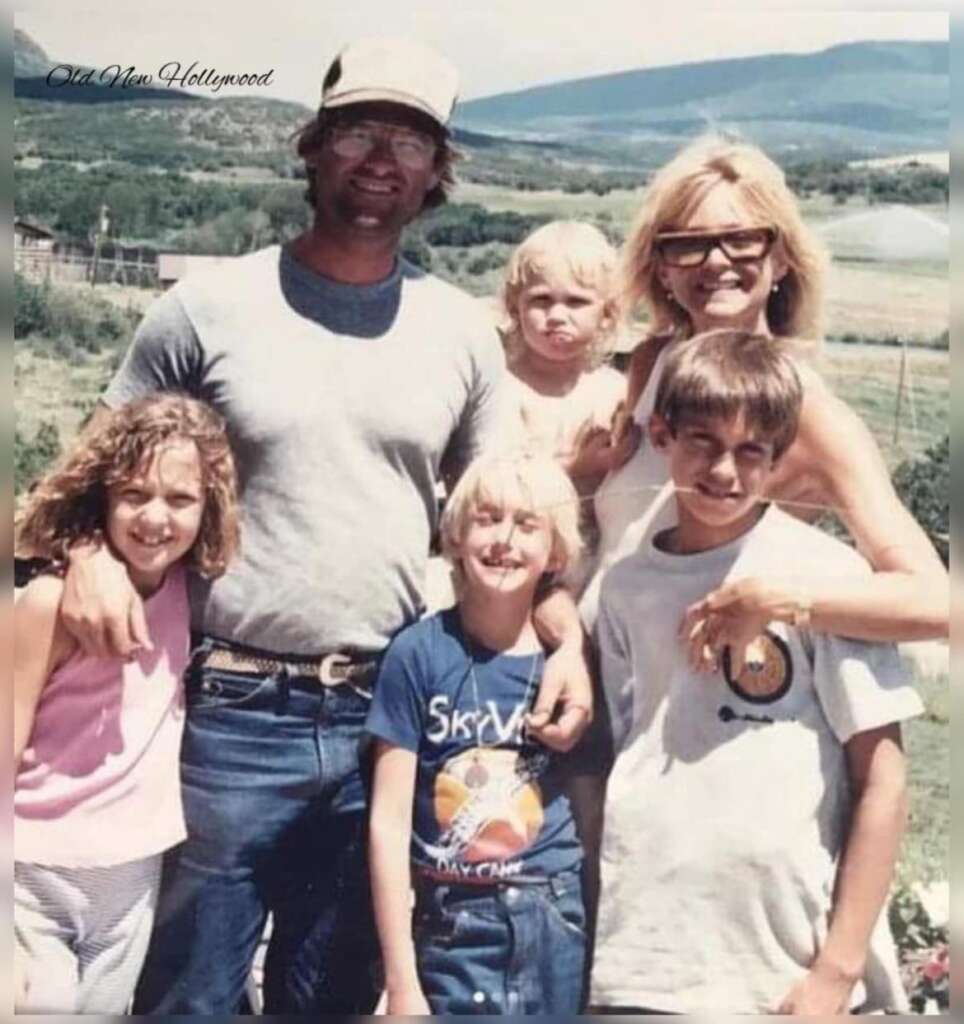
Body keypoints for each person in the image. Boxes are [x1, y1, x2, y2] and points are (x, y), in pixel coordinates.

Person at [54, 36, 591, 1014]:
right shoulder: (207, 306)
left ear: (436, 173)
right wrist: (87, 549)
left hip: (382, 718)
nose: (380, 158)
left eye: (408, 140)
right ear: (313, 148)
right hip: (226, 713)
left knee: (329, 996)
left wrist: (568, 642)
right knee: (189, 997)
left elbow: (511, 518)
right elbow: (88, 473)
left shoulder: (458, 331)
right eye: (356, 133)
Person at [591, 330, 923, 1014]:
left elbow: (883, 781)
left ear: (778, 460)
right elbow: (619, 758)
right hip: (646, 955)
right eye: (703, 443)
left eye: (751, 452)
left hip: (783, 961)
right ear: (661, 433)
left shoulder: (828, 579)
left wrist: (837, 970)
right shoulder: (625, 585)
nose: (724, 471)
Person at [585, 134, 949, 648]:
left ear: (780, 260)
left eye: (741, 239)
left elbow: (937, 601)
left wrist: (783, 602)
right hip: (596, 682)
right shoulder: (653, 364)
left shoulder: (810, 413)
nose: (714, 261)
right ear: (663, 268)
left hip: (698, 698)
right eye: (689, 244)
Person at [13, 396, 239, 1013]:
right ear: (101, 496)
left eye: (180, 499)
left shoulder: (190, 594)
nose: (154, 519)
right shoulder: (50, 604)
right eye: (134, 494)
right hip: (35, 871)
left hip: (132, 876)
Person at [367, 453, 588, 1015]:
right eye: (487, 519)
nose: (504, 540)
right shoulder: (418, 654)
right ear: (457, 535)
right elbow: (388, 822)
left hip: (551, 911)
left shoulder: (566, 670)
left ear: (556, 552)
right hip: (452, 922)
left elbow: (589, 799)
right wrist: (401, 984)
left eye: (527, 524)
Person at [500, 220, 629, 498]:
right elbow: (497, 483)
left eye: (576, 302)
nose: (557, 316)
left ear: (607, 314)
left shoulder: (616, 392)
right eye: (541, 300)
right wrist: (577, 468)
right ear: (514, 308)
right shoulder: (503, 389)